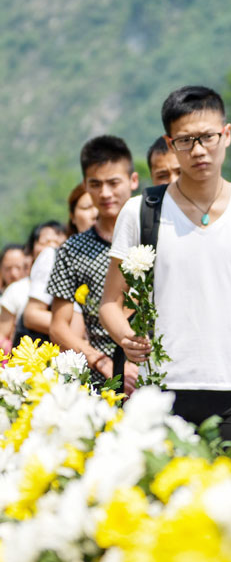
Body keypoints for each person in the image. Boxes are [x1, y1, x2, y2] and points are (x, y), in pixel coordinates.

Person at [100, 86, 231, 469]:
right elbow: (110, 302)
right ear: (171, 145)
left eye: (207, 137)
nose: (199, 150)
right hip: (160, 388)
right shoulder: (143, 211)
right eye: (186, 141)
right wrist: (126, 337)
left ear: (227, 134)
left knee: (222, 508)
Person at [48, 135, 139, 390]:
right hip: (102, 383)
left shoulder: (154, 234)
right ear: (86, 187)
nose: (105, 193)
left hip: (161, 372)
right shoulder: (72, 250)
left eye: (113, 182)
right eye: (96, 184)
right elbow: (58, 327)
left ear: (133, 181)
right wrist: (102, 362)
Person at [23, 183, 98, 340]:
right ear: (72, 216)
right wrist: (73, 330)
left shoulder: (120, 254)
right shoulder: (55, 257)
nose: (95, 213)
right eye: (87, 207)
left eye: (99, 206)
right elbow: (32, 315)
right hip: (66, 356)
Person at [0, 221, 67, 351]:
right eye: (45, 242)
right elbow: (2, 334)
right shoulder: (16, 290)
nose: (52, 248)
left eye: (57, 242)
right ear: (31, 249)